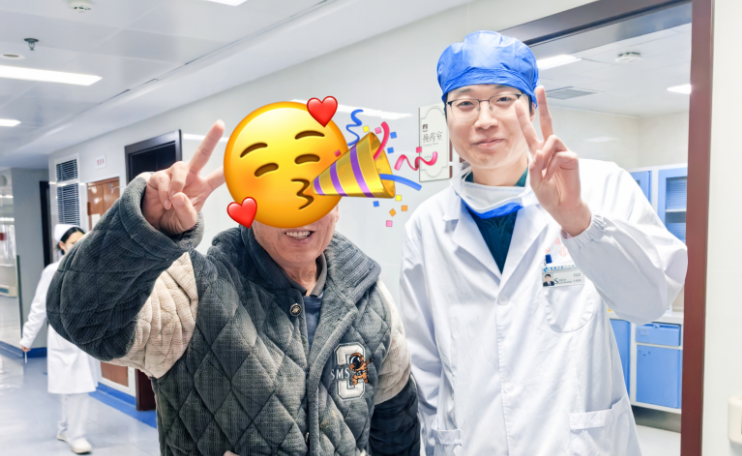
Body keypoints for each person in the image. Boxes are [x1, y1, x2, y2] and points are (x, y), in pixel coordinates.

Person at [46, 122, 420, 456]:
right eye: (279, 192)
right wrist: (143, 231)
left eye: (316, 192)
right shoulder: (193, 292)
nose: (300, 211)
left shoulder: (371, 299)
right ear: (248, 204)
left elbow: (395, 425)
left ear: (337, 204)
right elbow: (83, 320)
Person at [400, 31, 687, 455]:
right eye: (465, 103)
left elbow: (648, 303)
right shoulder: (427, 225)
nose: (484, 119)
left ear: (532, 108)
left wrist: (580, 223)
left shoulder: (600, 184)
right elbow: (423, 362)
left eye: (503, 99)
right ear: (446, 115)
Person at [20, 224, 100, 454]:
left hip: (86, 336)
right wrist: (27, 338)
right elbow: (40, 306)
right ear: (62, 245)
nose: (80, 247)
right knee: (77, 389)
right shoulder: (53, 271)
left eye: (83, 242)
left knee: (74, 388)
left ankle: (65, 429)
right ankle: (77, 436)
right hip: (64, 337)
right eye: (74, 243)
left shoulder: (92, 269)